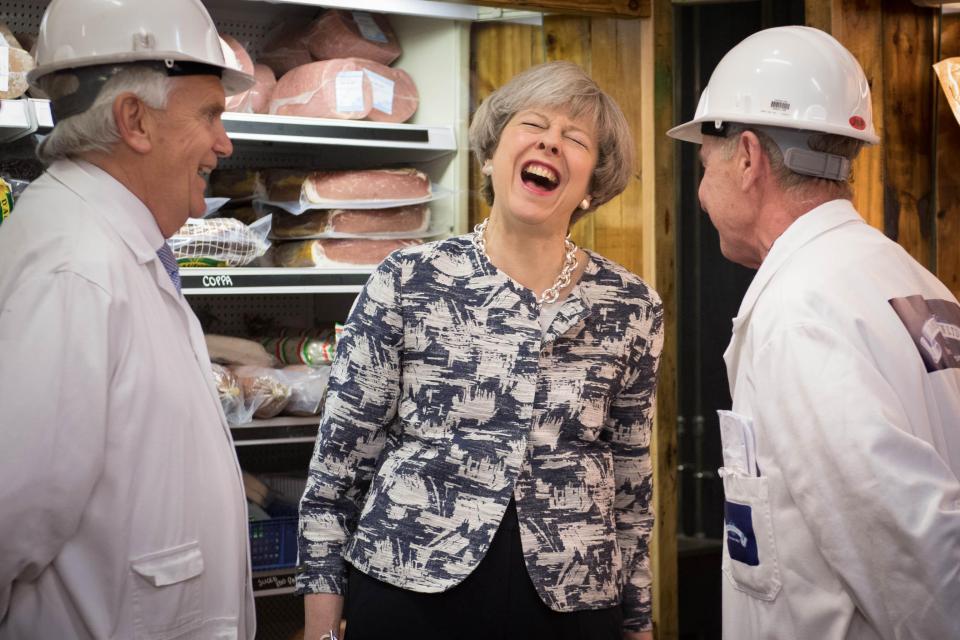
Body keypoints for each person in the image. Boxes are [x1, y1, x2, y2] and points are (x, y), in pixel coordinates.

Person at [297, 60, 663, 640]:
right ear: (491, 156)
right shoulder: (407, 278)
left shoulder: (630, 305)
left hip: (573, 596)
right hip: (409, 586)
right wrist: (320, 627)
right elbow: (339, 463)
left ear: (594, 187)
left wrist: (639, 619)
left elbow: (631, 478)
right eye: (534, 125)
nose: (550, 141)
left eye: (575, 139)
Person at [668, 25, 960, 640]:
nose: (699, 193)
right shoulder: (908, 278)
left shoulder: (802, 311)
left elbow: (907, 548)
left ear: (746, 157)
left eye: (704, 165)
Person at [0, 0, 257, 637]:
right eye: (210, 114)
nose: (223, 143)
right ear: (134, 120)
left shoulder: (111, 248)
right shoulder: (75, 271)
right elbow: (10, 517)